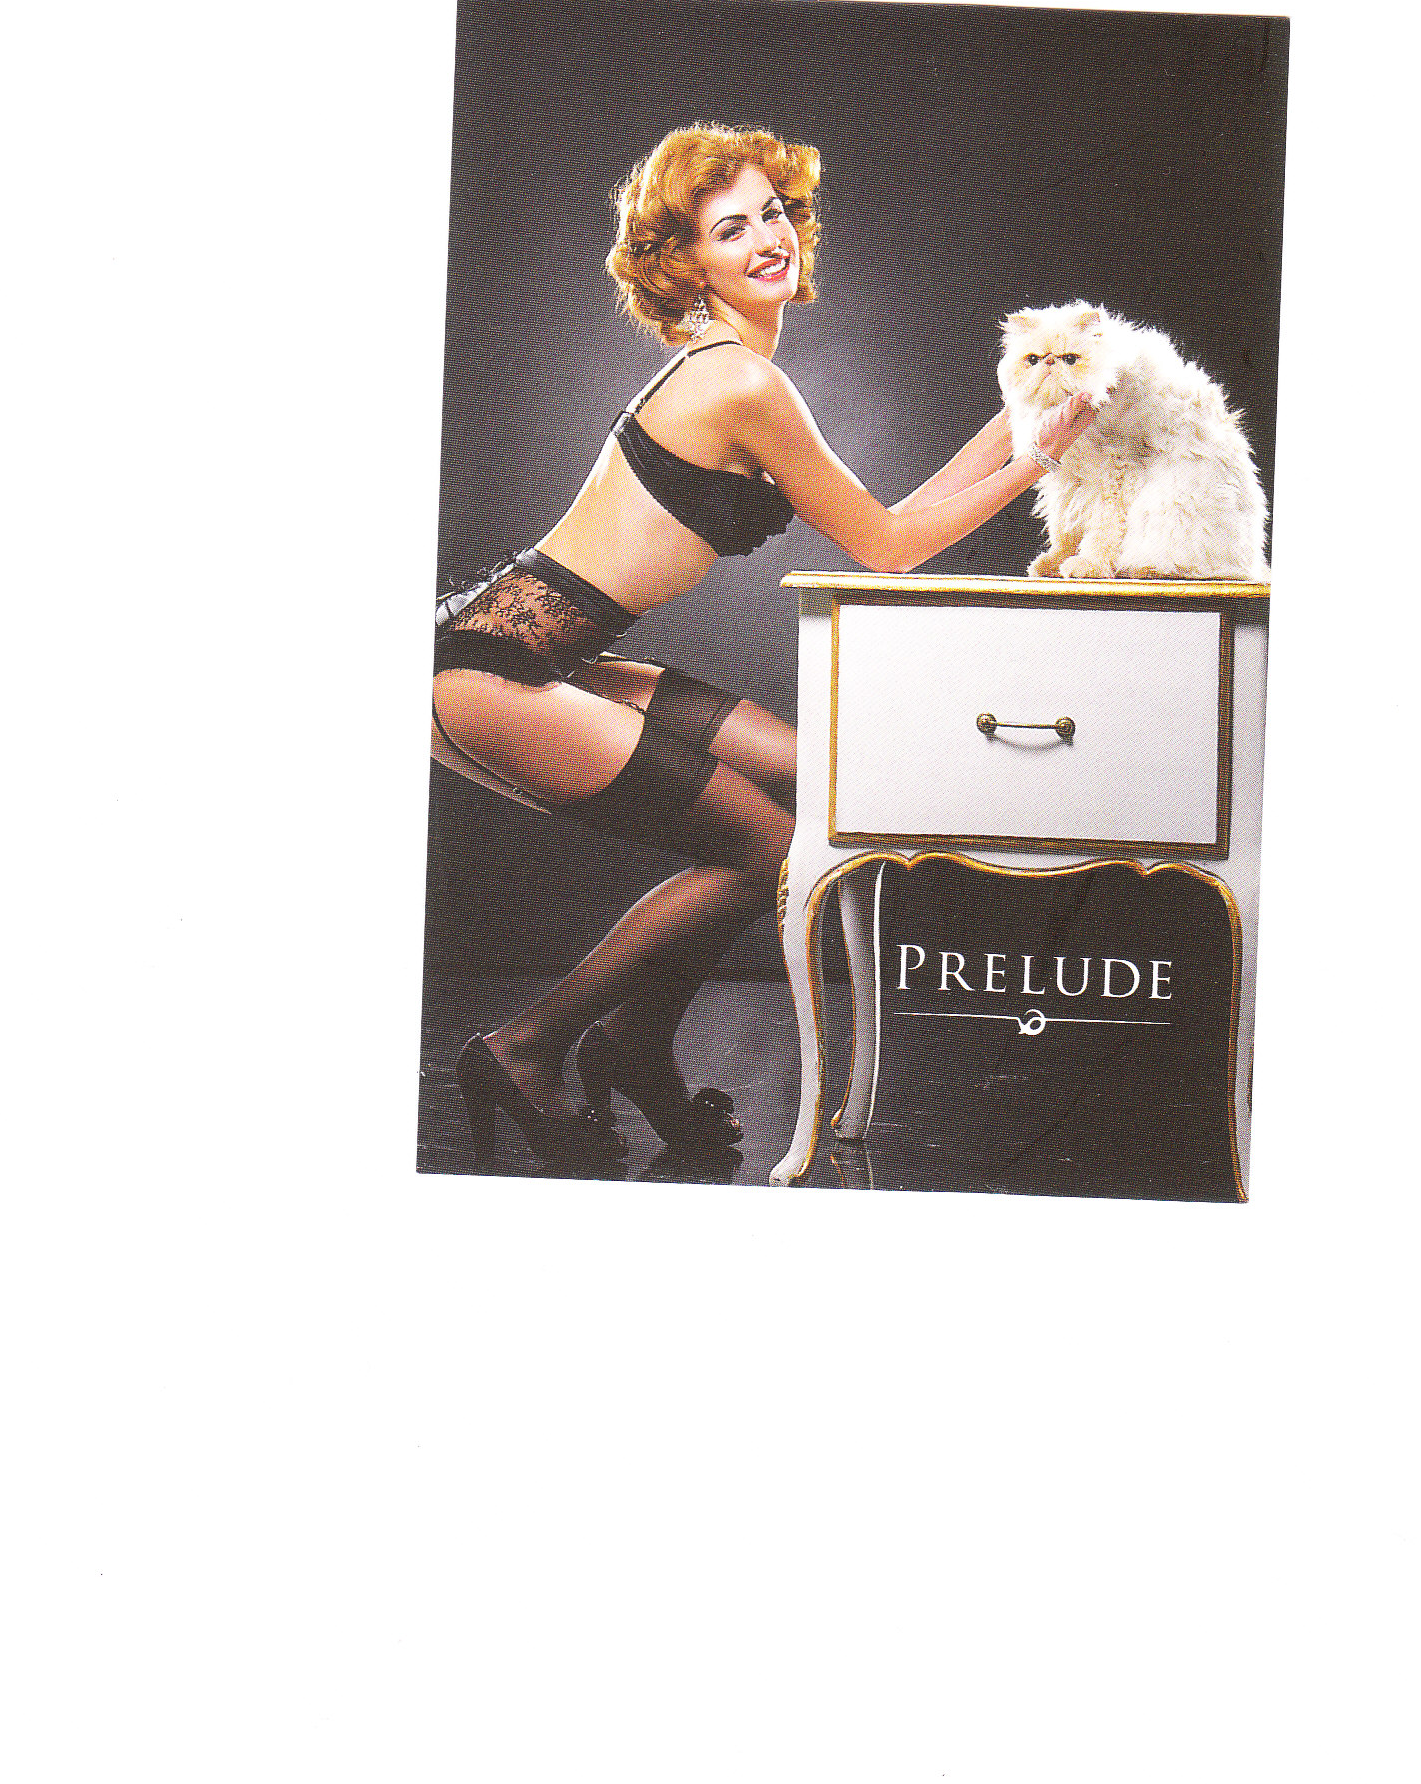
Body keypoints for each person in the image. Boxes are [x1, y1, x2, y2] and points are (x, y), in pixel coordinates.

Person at [431, 121, 1097, 1175]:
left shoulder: (738, 371)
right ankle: (526, 1048)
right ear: (685, 262)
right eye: (730, 228)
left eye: (774, 213)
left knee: (805, 778)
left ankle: (633, 1043)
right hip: (491, 671)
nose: (767, 238)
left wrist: (1024, 417)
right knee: (769, 847)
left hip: (537, 657)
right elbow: (890, 549)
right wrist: (1037, 461)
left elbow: (887, 522)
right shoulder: (739, 384)